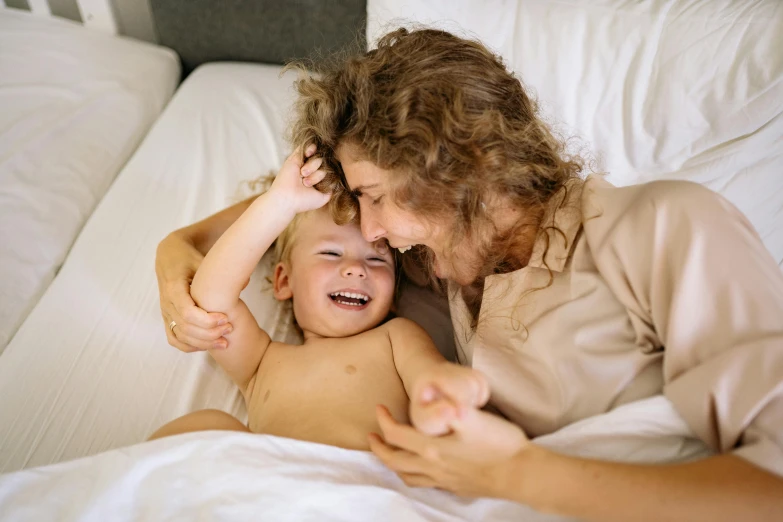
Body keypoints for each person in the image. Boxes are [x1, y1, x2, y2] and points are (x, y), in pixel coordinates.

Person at [155, 28, 783, 521]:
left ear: (448, 166)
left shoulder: (663, 226)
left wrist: (513, 473)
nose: (370, 236)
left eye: (374, 194)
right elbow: (311, 225)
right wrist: (179, 245)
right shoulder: (442, 265)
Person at [150, 146, 490, 449]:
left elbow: (428, 377)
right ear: (284, 280)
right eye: (330, 253)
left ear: (395, 294)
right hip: (271, 484)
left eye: (377, 259)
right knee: (208, 425)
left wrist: (442, 395)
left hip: (362, 482)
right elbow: (212, 297)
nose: (357, 269)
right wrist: (278, 204)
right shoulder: (260, 361)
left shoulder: (396, 336)